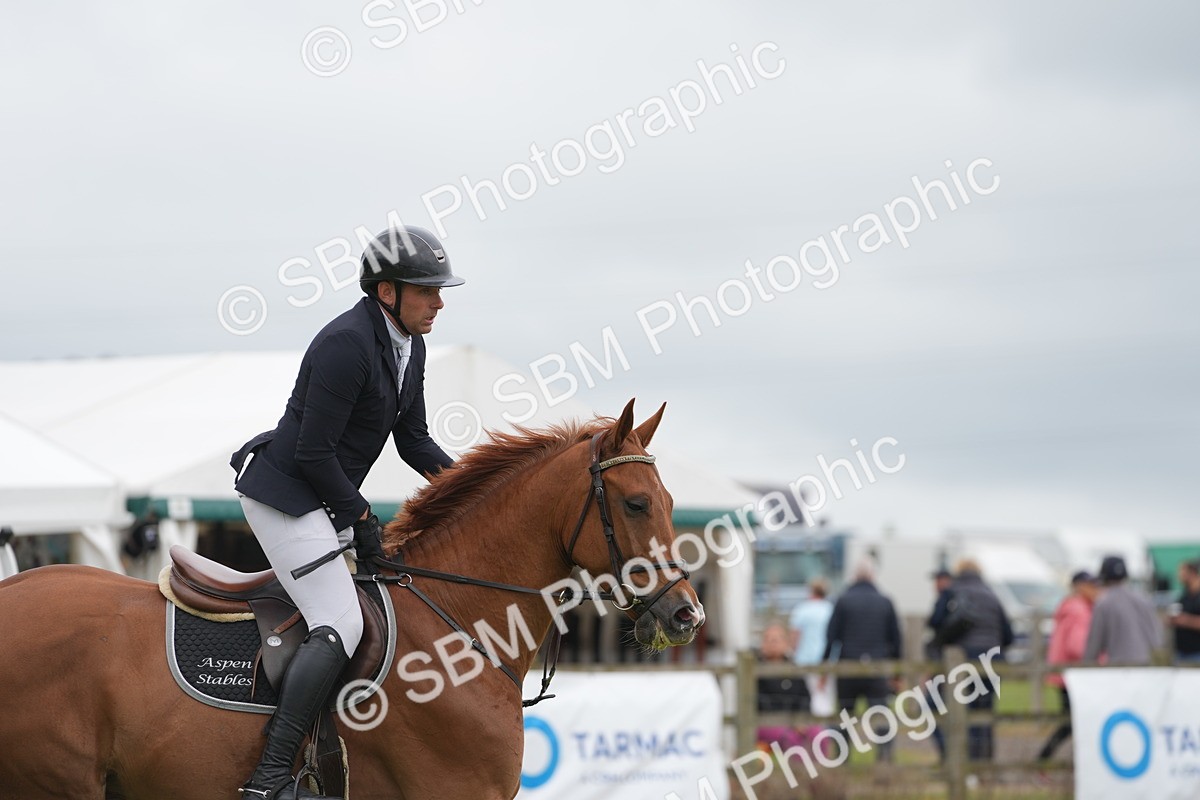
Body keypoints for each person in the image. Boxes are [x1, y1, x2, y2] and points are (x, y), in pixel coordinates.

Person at [228, 226, 464, 799]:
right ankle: (269, 778)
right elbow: (312, 451)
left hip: (319, 495)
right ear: (387, 291)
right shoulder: (347, 343)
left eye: (440, 290)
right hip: (285, 494)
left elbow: (413, 440)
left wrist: (471, 489)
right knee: (343, 620)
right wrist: (361, 517)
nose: (439, 302)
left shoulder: (411, 344)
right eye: (427, 290)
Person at [932, 559, 1013, 761]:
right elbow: (1008, 634)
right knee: (985, 712)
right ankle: (983, 762)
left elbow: (935, 622)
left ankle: (963, 763)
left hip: (964, 659)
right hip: (992, 661)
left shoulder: (953, 591)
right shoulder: (992, 595)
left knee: (959, 711)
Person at [823, 559, 901, 762]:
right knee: (881, 712)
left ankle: (842, 757)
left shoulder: (843, 600)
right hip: (876, 667)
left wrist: (824, 666)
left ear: (854, 576)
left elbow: (831, 637)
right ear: (873, 576)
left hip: (848, 666)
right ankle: (884, 756)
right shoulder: (885, 601)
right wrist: (897, 673)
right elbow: (896, 639)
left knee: (845, 714)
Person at [1036, 571, 1098, 761]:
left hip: (1063, 673)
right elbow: (1076, 646)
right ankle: (1045, 760)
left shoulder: (1070, 607)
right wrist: (1097, 658)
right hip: (1072, 675)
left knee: (1072, 722)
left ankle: (1048, 760)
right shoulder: (1079, 610)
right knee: (1074, 723)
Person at [1084, 555, 1161, 666]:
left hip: (1119, 668)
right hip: (1146, 665)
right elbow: (1157, 638)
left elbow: (1094, 644)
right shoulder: (1143, 600)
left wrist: (1086, 667)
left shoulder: (1104, 604)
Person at [788, 578, 835, 716]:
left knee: (807, 697)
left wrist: (792, 652)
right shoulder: (830, 610)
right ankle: (826, 732)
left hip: (804, 660)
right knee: (826, 698)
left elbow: (795, 636)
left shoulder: (802, 609)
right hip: (827, 661)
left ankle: (810, 731)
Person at [1167, 559, 1200, 664]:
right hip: (1182, 653)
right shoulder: (1184, 595)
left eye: (1182, 571)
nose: (1179, 575)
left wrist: (1184, 620)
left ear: (1192, 573)